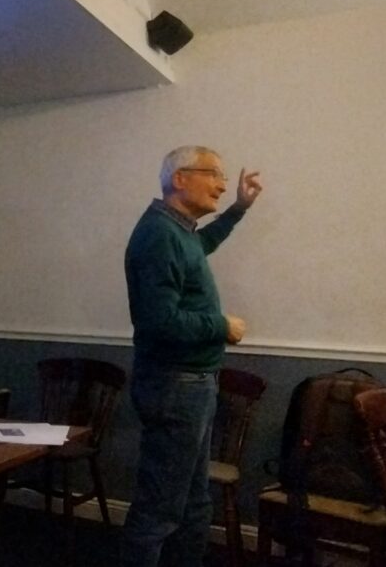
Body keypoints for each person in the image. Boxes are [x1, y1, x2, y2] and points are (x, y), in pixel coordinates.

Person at [119, 145, 262, 567]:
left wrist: (238, 209)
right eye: (214, 174)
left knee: (194, 502)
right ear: (180, 178)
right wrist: (222, 326)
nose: (222, 183)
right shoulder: (159, 235)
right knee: (160, 510)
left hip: (189, 384)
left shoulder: (177, 232)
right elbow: (158, 321)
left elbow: (202, 246)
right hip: (175, 385)